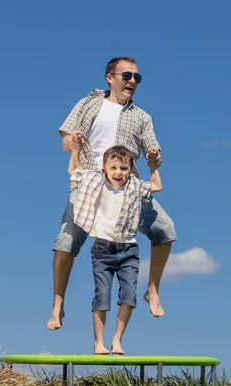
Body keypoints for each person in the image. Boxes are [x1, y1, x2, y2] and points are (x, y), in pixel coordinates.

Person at [47, 56, 177, 331]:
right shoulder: (88, 103)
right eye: (127, 76)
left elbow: (155, 154)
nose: (132, 82)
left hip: (128, 188)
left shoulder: (141, 116)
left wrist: (154, 158)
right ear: (110, 77)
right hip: (90, 183)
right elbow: (65, 141)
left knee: (165, 230)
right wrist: (73, 142)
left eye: (137, 78)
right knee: (65, 243)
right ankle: (58, 305)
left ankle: (152, 290)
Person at [71, 145, 162, 354]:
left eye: (123, 168)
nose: (118, 173)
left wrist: (153, 166)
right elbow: (73, 171)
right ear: (104, 167)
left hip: (129, 249)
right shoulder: (96, 182)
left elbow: (157, 185)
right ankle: (99, 343)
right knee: (102, 294)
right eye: (113, 168)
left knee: (129, 294)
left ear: (130, 170)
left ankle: (117, 339)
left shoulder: (135, 186)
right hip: (102, 249)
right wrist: (75, 150)